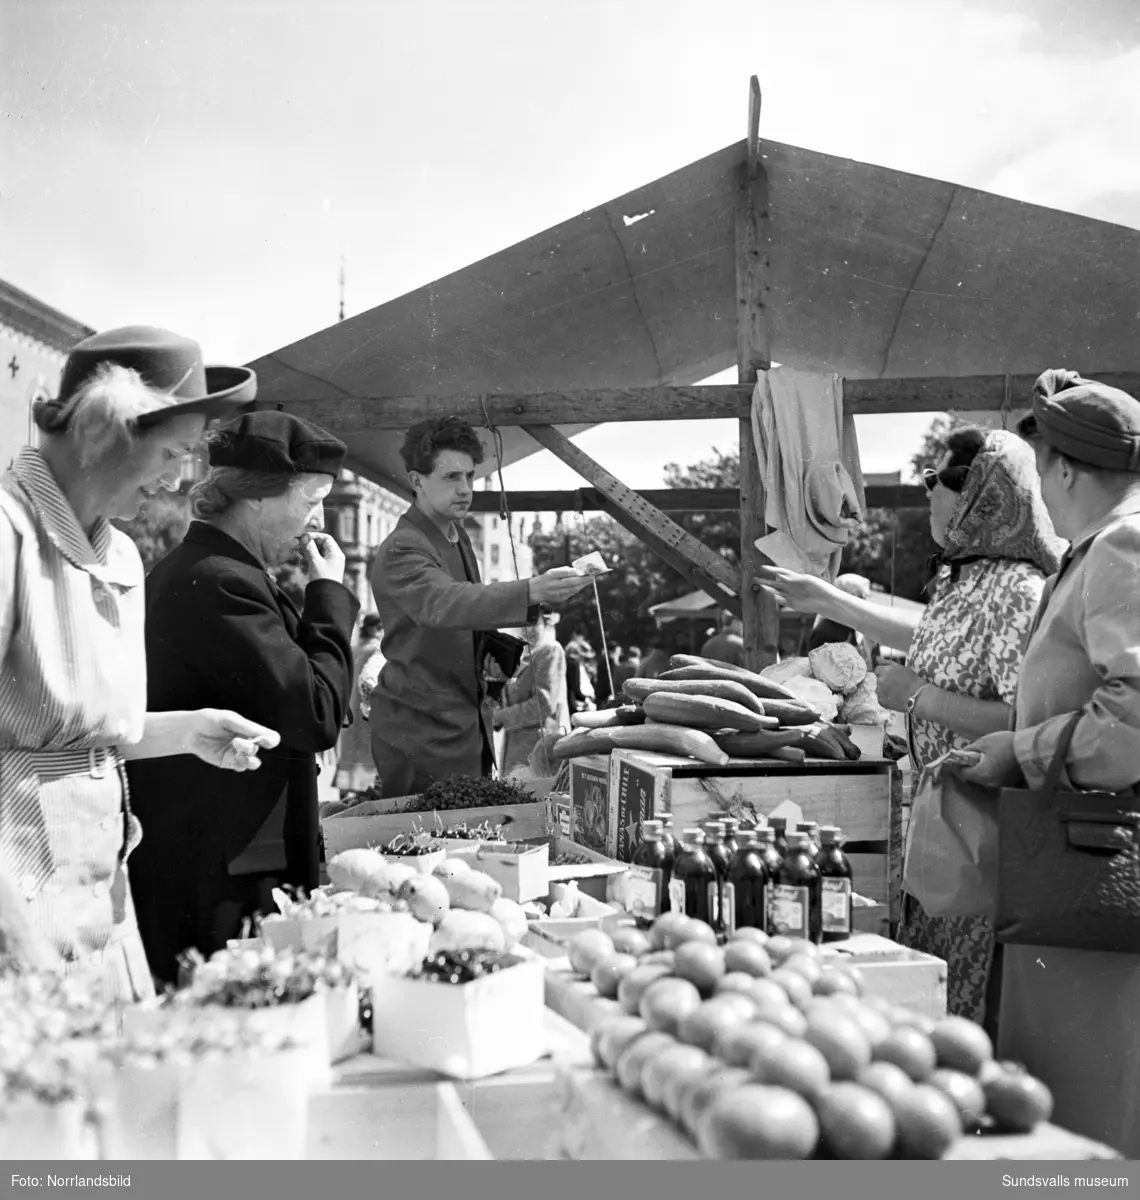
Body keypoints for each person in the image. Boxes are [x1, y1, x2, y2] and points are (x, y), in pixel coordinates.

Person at [0, 326, 279, 996]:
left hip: (104, 908)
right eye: (175, 452)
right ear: (106, 432)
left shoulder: (121, 554)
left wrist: (187, 730)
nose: (179, 481)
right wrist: (16, 945)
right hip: (19, 920)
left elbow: (82, 742)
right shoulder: (9, 532)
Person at [757, 427, 1063, 1030]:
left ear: (978, 496)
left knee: (966, 1008)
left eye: (935, 480)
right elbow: (922, 636)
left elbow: (1024, 722)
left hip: (986, 838)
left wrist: (917, 696)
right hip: (946, 827)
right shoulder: (968, 579)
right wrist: (828, 600)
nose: (925, 493)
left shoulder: (1017, 591)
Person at [958, 371, 1140, 1156]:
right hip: (1073, 859)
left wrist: (1018, 751)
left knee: (1088, 1091)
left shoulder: (1122, 548)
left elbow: (1134, 714)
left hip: (1094, 864)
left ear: (1062, 468)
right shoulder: (1092, 552)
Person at [126, 410, 360, 983]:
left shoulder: (224, 573)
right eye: (309, 502)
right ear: (256, 497)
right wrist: (330, 596)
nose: (317, 521)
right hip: (223, 876)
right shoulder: (221, 581)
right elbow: (316, 713)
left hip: (224, 861)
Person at [369, 416, 593, 797]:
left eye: (470, 477)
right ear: (416, 480)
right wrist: (531, 590)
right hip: (423, 730)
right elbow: (443, 602)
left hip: (462, 723)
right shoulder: (405, 545)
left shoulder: (455, 536)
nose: (465, 489)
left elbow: (461, 611)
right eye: (451, 477)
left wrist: (493, 651)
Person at [494, 609, 570, 777]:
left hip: (537, 752)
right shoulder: (526, 655)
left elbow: (542, 705)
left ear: (546, 622)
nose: (527, 629)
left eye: (533, 623)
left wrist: (500, 716)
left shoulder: (550, 650)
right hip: (518, 753)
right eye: (523, 624)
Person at [335, 614, 385, 794]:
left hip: (349, 704)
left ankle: (347, 788)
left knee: (350, 746)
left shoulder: (353, 647)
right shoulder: (376, 649)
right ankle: (363, 789)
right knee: (365, 747)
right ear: (374, 629)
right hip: (365, 704)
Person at [808, 574, 877, 665]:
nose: (866, 602)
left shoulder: (864, 629)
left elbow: (876, 662)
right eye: (861, 597)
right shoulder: (825, 631)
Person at [564, 633, 597, 714]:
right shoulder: (573, 664)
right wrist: (586, 699)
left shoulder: (565, 663)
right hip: (575, 703)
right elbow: (575, 687)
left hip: (568, 701)